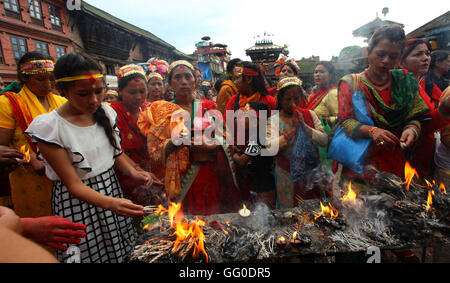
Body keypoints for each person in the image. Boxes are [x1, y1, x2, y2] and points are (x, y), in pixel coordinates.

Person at [25, 52, 154, 263]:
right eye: (83, 94)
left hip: (111, 189)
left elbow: (115, 153)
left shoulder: (106, 112)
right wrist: (112, 204)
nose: (93, 100)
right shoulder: (50, 128)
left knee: (120, 251)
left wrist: (135, 173)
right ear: (61, 90)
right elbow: (74, 184)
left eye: (99, 91)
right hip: (77, 202)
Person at [138, 60, 241, 216]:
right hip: (179, 179)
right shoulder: (162, 111)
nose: (184, 82)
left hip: (209, 173)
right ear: (170, 83)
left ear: (195, 81)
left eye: (188, 76)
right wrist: (173, 143)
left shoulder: (209, 106)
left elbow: (226, 136)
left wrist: (212, 146)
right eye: (178, 77)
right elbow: (154, 148)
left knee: (211, 218)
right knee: (187, 224)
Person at [336, 25, 430, 185]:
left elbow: (415, 117)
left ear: (400, 58)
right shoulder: (351, 83)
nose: (386, 60)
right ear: (368, 52)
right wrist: (372, 131)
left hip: (395, 162)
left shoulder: (404, 81)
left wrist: (411, 129)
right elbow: (346, 121)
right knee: (359, 209)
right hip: (361, 166)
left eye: (393, 57)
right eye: (380, 54)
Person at [0, 52, 67, 218]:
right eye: (40, 79)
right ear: (24, 78)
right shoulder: (8, 104)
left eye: (52, 79)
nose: (48, 84)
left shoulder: (61, 102)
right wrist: (30, 158)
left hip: (64, 174)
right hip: (30, 177)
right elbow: (4, 146)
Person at [270, 77, 328, 207]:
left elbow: (324, 141)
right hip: (286, 175)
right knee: (291, 212)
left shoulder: (310, 115)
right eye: (288, 99)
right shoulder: (273, 120)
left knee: (316, 209)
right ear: (280, 100)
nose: (293, 103)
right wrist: (292, 131)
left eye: (296, 98)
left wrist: (306, 128)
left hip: (311, 173)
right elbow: (270, 148)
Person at [110, 64, 159, 205]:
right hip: (125, 171)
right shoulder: (112, 113)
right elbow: (116, 148)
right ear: (120, 91)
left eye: (143, 91)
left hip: (150, 170)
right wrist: (137, 170)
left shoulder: (149, 108)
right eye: (132, 92)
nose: (138, 97)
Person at [400, 39, 448, 179]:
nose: (425, 58)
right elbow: (423, 126)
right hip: (410, 159)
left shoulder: (421, 84)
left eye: (427, 53)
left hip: (425, 155)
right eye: (417, 54)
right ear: (401, 61)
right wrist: (445, 109)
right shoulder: (402, 88)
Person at [231, 101, 276, 209]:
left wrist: (232, 154)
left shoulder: (258, 137)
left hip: (264, 184)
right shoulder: (259, 134)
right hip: (260, 181)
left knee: (265, 216)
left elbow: (242, 161)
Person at [305, 61, 339, 172]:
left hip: (325, 141)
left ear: (330, 75)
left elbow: (340, 118)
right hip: (314, 139)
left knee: (324, 175)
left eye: (322, 72)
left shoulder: (332, 93)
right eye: (315, 72)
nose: (317, 75)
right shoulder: (317, 94)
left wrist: (323, 120)